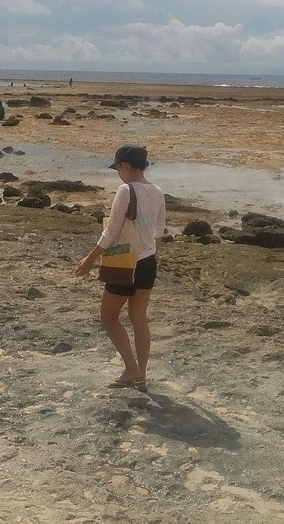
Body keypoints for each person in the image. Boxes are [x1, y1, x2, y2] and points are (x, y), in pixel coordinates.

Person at [76, 144, 166, 391]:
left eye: (117, 168)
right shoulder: (157, 191)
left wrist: (90, 259)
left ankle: (131, 369)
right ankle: (141, 376)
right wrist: (149, 251)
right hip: (148, 262)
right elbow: (159, 231)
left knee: (109, 317)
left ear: (124, 166)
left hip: (126, 263)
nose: (118, 173)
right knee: (139, 319)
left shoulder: (126, 190)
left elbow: (111, 232)